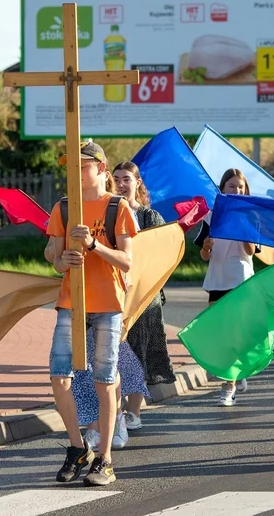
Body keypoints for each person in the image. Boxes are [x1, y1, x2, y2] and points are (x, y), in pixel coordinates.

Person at [46, 141, 137, 485]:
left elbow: (128, 261)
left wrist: (94, 245)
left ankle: (106, 460)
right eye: (71, 166)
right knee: (59, 375)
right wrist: (63, 260)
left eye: (82, 165)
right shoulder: (64, 207)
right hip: (71, 301)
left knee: (104, 380)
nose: (75, 172)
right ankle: (76, 447)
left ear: (100, 168)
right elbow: (55, 259)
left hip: (108, 305)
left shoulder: (117, 207)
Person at [113, 161, 176, 430]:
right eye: (115, 178)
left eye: (126, 178)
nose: (120, 183)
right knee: (111, 354)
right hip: (112, 293)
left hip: (144, 298)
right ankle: (114, 412)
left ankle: (133, 413)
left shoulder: (151, 218)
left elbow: (165, 257)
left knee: (137, 352)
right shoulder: (106, 215)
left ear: (137, 182)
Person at [195, 168, 259, 406]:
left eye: (240, 186)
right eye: (232, 186)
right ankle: (238, 371)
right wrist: (207, 246)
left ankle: (228, 385)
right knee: (221, 332)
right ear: (222, 189)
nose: (237, 190)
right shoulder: (212, 216)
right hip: (217, 279)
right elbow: (203, 255)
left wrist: (243, 231)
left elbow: (252, 251)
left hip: (240, 280)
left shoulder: (249, 215)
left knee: (233, 333)